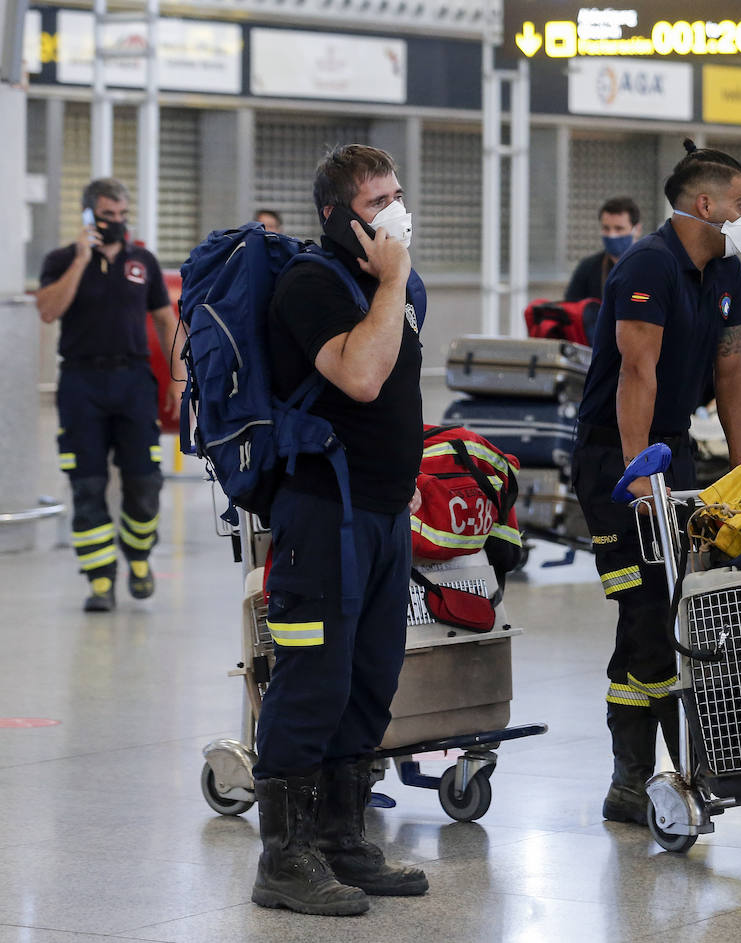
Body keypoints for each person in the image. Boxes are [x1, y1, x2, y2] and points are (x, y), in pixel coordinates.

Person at [250, 144, 428, 915]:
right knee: (312, 680)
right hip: (323, 514)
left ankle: (341, 834)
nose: (393, 212)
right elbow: (358, 374)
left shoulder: (388, 283)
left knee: (370, 677)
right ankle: (283, 859)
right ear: (337, 217)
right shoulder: (311, 284)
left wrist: (391, 282)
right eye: (376, 202)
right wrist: (390, 281)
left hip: (387, 512)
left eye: (396, 195)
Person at [573, 140, 741, 826]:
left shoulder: (727, 267)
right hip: (614, 457)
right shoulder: (649, 263)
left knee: (675, 604)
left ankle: (667, 769)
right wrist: (637, 475)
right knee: (645, 610)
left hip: (671, 448)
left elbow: (732, 370)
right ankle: (632, 775)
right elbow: (636, 373)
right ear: (705, 204)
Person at [36, 178, 180, 612]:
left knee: (144, 481)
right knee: (87, 484)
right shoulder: (61, 259)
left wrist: (177, 378)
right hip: (81, 383)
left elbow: (164, 321)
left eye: (121, 215)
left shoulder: (143, 261)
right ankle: (100, 578)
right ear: (87, 215)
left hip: (133, 381)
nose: (116, 223)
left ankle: (138, 557)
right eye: (106, 216)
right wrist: (82, 259)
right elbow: (47, 310)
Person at [565, 196, 643, 302]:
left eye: (619, 228)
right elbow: (570, 308)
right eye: (606, 228)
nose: (612, 235)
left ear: (637, 230)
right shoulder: (588, 267)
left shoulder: (654, 267)